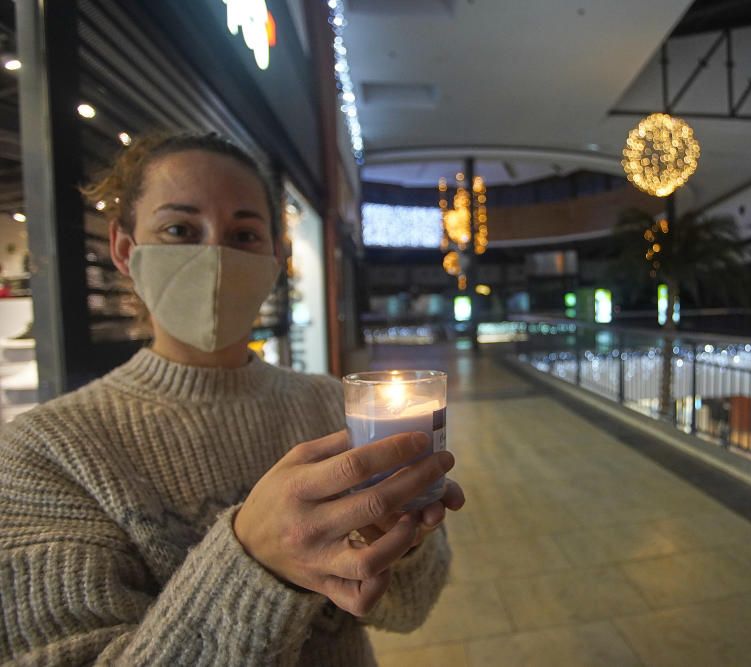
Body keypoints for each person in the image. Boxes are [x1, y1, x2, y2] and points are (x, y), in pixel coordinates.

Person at [0, 133, 463, 665]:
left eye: (243, 234)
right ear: (126, 251)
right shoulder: (46, 453)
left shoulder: (332, 403)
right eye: (179, 230)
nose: (214, 255)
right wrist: (253, 562)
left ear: (274, 260)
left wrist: (400, 537)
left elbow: (409, 609)